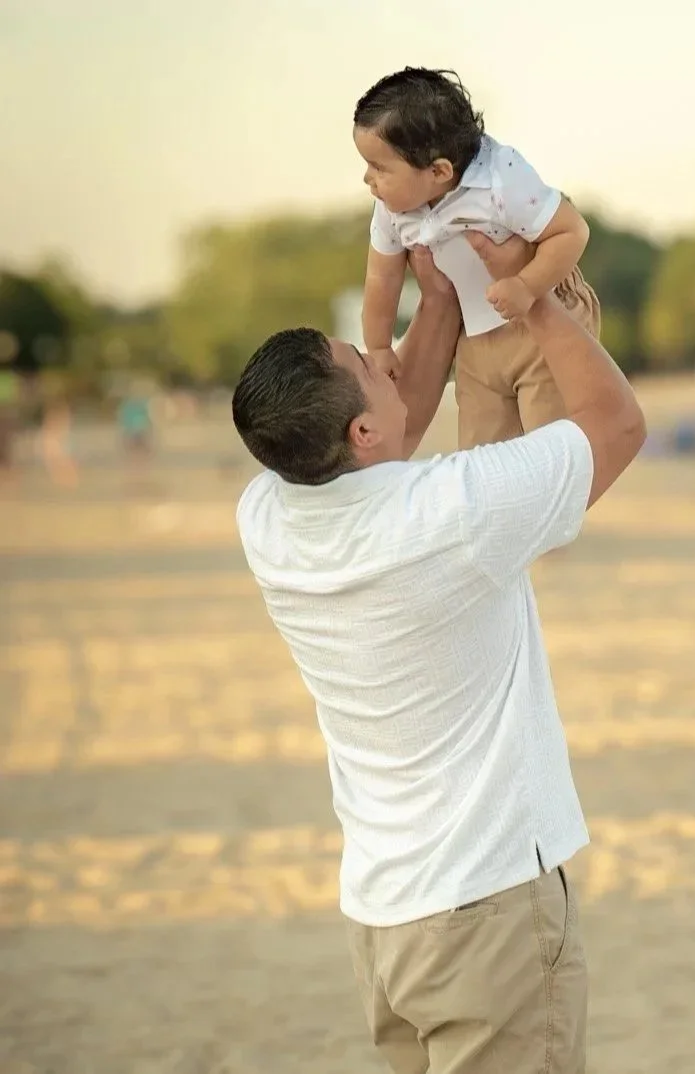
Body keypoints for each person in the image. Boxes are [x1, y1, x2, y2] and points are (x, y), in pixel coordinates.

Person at [230, 233, 645, 1074]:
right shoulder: (453, 514)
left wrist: (442, 302)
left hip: (385, 919)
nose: (388, 360)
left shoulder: (267, 515)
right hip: (486, 910)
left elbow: (388, 431)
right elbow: (617, 424)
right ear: (359, 427)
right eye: (368, 360)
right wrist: (537, 302)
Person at [354, 66, 600, 449]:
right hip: (474, 335)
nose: (368, 180)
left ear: (439, 171)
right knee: (483, 456)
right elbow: (380, 279)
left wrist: (526, 286)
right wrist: (380, 346)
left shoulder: (501, 180)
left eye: (380, 168)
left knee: (549, 452)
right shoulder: (392, 207)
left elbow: (571, 231)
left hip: (542, 315)